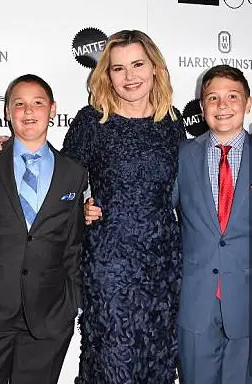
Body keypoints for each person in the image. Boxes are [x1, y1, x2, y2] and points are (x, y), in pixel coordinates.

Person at [0, 30, 186, 383]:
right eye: (118, 68)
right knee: (112, 361)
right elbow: (59, 181)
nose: (130, 76)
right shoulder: (93, 120)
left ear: (155, 68)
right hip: (110, 263)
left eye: (138, 65)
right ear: (106, 74)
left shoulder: (171, 121)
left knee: (158, 362)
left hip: (163, 263)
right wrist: (10, 147)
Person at [86, 65, 251, 383]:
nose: (222, 105)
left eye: (232, 96)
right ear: (201, 108)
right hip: (193, 302)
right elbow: (151, 204)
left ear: (248, 103)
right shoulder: (183, 154)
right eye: (212, 98)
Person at [0, 74, 87, 384]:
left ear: (52, 109)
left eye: (38, 103)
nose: (28, 112)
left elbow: (73, 244)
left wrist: (74, 301)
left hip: (50, 316)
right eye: (19, 104)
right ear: (7, 112)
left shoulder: (73, 173)